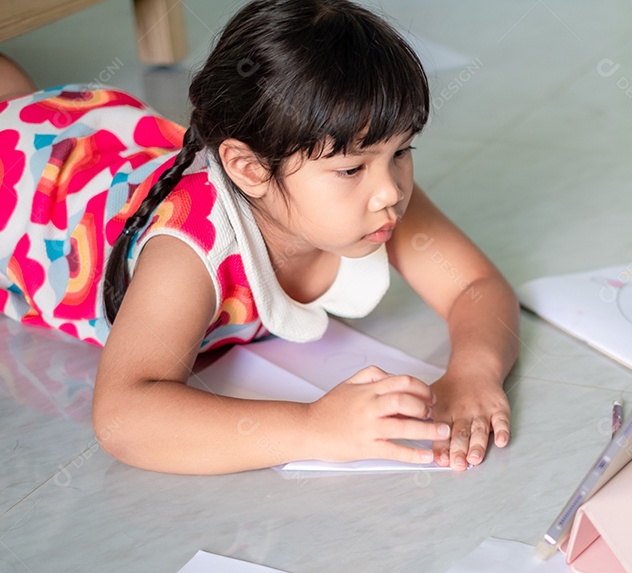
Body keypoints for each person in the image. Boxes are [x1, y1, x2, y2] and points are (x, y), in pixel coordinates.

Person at [0, 0, 519, 474]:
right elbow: (123, 416)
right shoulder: (188, 250)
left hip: (100, 146)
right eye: (350, 169)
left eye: (402, 151)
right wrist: (314, 428)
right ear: (249, 169)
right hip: (27, 191)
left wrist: (474, 373)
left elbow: (475, 286)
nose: (391, 190)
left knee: (14, 96)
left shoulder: (375, 191)